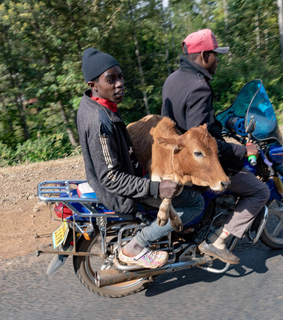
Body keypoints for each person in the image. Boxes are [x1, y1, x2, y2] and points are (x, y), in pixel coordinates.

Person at [77, 48, 204, 269]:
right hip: (119, 193)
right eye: (111, 79)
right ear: (93, 85)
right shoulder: (99, 123)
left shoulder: (94, 105)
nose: (119, 84)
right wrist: (156, 188)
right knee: (195, 202)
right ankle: (136, 246)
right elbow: (111, 178)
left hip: (129, 175)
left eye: (120, 76)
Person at [161, 29, 271, 265]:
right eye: (216, 54)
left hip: (174, 158)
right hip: (197, 165)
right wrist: (244, 151)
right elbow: (201, 142)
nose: (218, 60)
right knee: (259, 191)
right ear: (203, 56)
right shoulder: (199, 86)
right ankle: (218, 241)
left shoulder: (173, 79)